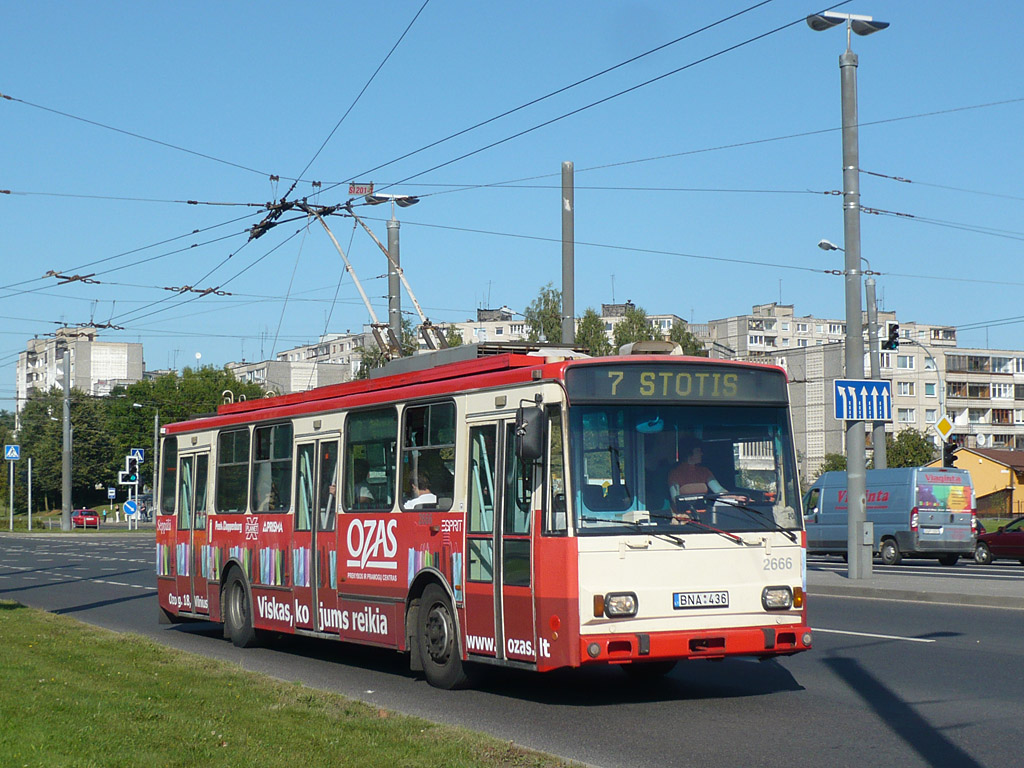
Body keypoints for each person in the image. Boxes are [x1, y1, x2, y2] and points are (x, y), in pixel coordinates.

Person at [667, 437, 733, 523]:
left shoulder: (704, 471)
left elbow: (719, 490)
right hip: (682, 518)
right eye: (698, 451)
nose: (701, 454)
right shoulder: (675, 473)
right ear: (689, 453)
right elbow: (675, 499)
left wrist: (734, 497)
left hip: (704, 516)